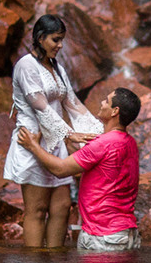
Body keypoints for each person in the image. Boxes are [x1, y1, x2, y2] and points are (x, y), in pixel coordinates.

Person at [3, 14, 102, 249]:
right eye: (56, 40)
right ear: (40, 38)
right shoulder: (26, 65)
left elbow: (72, 102)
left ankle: (55, 261)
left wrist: (100, 132)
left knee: (62, 207)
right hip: (33, 139)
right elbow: (40, 106)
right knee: (37, 209)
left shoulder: (56, 67)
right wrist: (69, 134)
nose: (60, 45)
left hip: (56, 142)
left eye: (62, 40)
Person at [17, 87, 141, 252]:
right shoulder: (129, 142)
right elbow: (97, 165)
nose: (102, 103)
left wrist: (32, 146)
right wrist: (67, 143)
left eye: (106, 101)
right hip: (127, 233)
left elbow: (60, 170)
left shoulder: (102, 144)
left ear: (114, 111)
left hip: (103, 236)